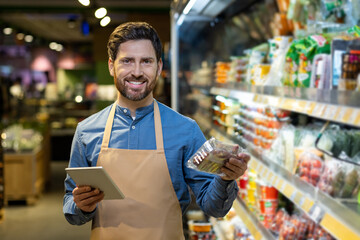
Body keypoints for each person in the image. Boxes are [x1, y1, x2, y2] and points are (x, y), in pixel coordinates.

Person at [63, 21, 250, 239]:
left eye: (146, 61)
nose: (137, 72)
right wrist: (81, 206)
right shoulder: (86, 131)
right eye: (127, 61)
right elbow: (71, 206)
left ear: (159, 67)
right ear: (111, 66)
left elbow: (214, 207)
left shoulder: (186, 130)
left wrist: (226, 179)